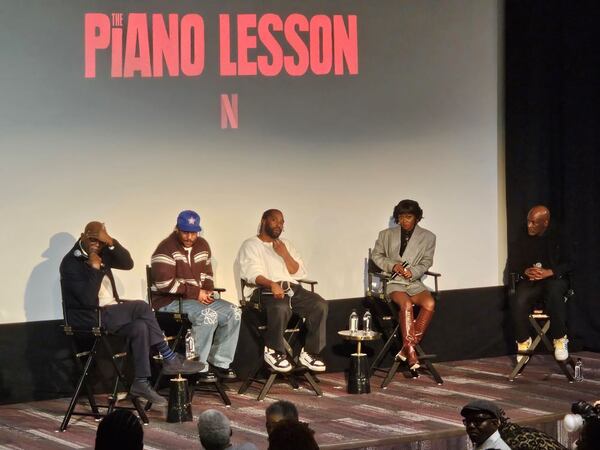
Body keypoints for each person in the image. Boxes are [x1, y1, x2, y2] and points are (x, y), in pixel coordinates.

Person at [60, 221, 204, 406]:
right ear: (82, 236)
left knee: (140, 327)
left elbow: (127, 263)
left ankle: (141, 382)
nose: (97, 243)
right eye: (92, 239)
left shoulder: (101, 251)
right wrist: (94, 269)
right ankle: (169, 358)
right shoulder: (70, 262)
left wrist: (110, 241)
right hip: (88, 317)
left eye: (100, 240)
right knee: (141, 307)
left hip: (107, 312)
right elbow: (87, 300)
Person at [151, 210, 241, 381]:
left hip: (195, 299)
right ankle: (199, 365)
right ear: (177, 228)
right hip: (169, 301)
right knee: (207, 315)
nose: (189, 237)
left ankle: (219, 362)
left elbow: (207, 273)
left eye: (193, 232)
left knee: (234, 312)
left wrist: (207, 290)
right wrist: (195, 292)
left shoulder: (202, 245)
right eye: (185, 232)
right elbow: (164, 284)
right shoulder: (165, 248)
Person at [237, 209, 328, 373]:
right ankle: (274, 351)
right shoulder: (251, 244)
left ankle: (310, 353)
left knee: (319, 304)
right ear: (264, 221)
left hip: (291, 289)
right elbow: (251, 274)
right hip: (264, 291)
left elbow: (299, 273)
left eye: (281, 222)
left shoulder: (285, 245)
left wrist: (285, 254)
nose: (279, 225)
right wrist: (271, 283)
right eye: (274, 220)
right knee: (281, 307)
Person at [371, 199, 436, 370]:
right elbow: (376, 256)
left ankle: (407, 347)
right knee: (406, 304)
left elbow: (427, 261)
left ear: (416, 217)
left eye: (408, 217)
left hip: (413, 282)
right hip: (394, 282)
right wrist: (392, 265)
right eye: (401, 217)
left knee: (429, 303)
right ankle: (412, 354)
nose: (404, 220)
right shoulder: (385, 234)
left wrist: (413, 272)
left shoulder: (429, 237)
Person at [508, 205, 572, 362]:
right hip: (533, 281)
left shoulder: (560, 234)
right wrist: (526, 270)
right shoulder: (522, 235)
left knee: (555, 293)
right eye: (528, 221)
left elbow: (571, 262)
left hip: (554, 279)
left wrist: (550, 272)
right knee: (518, 297)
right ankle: (523, 341)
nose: (529, 225)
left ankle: (560, 339)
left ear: (545, 223)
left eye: (533, 223)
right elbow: (514, 262)